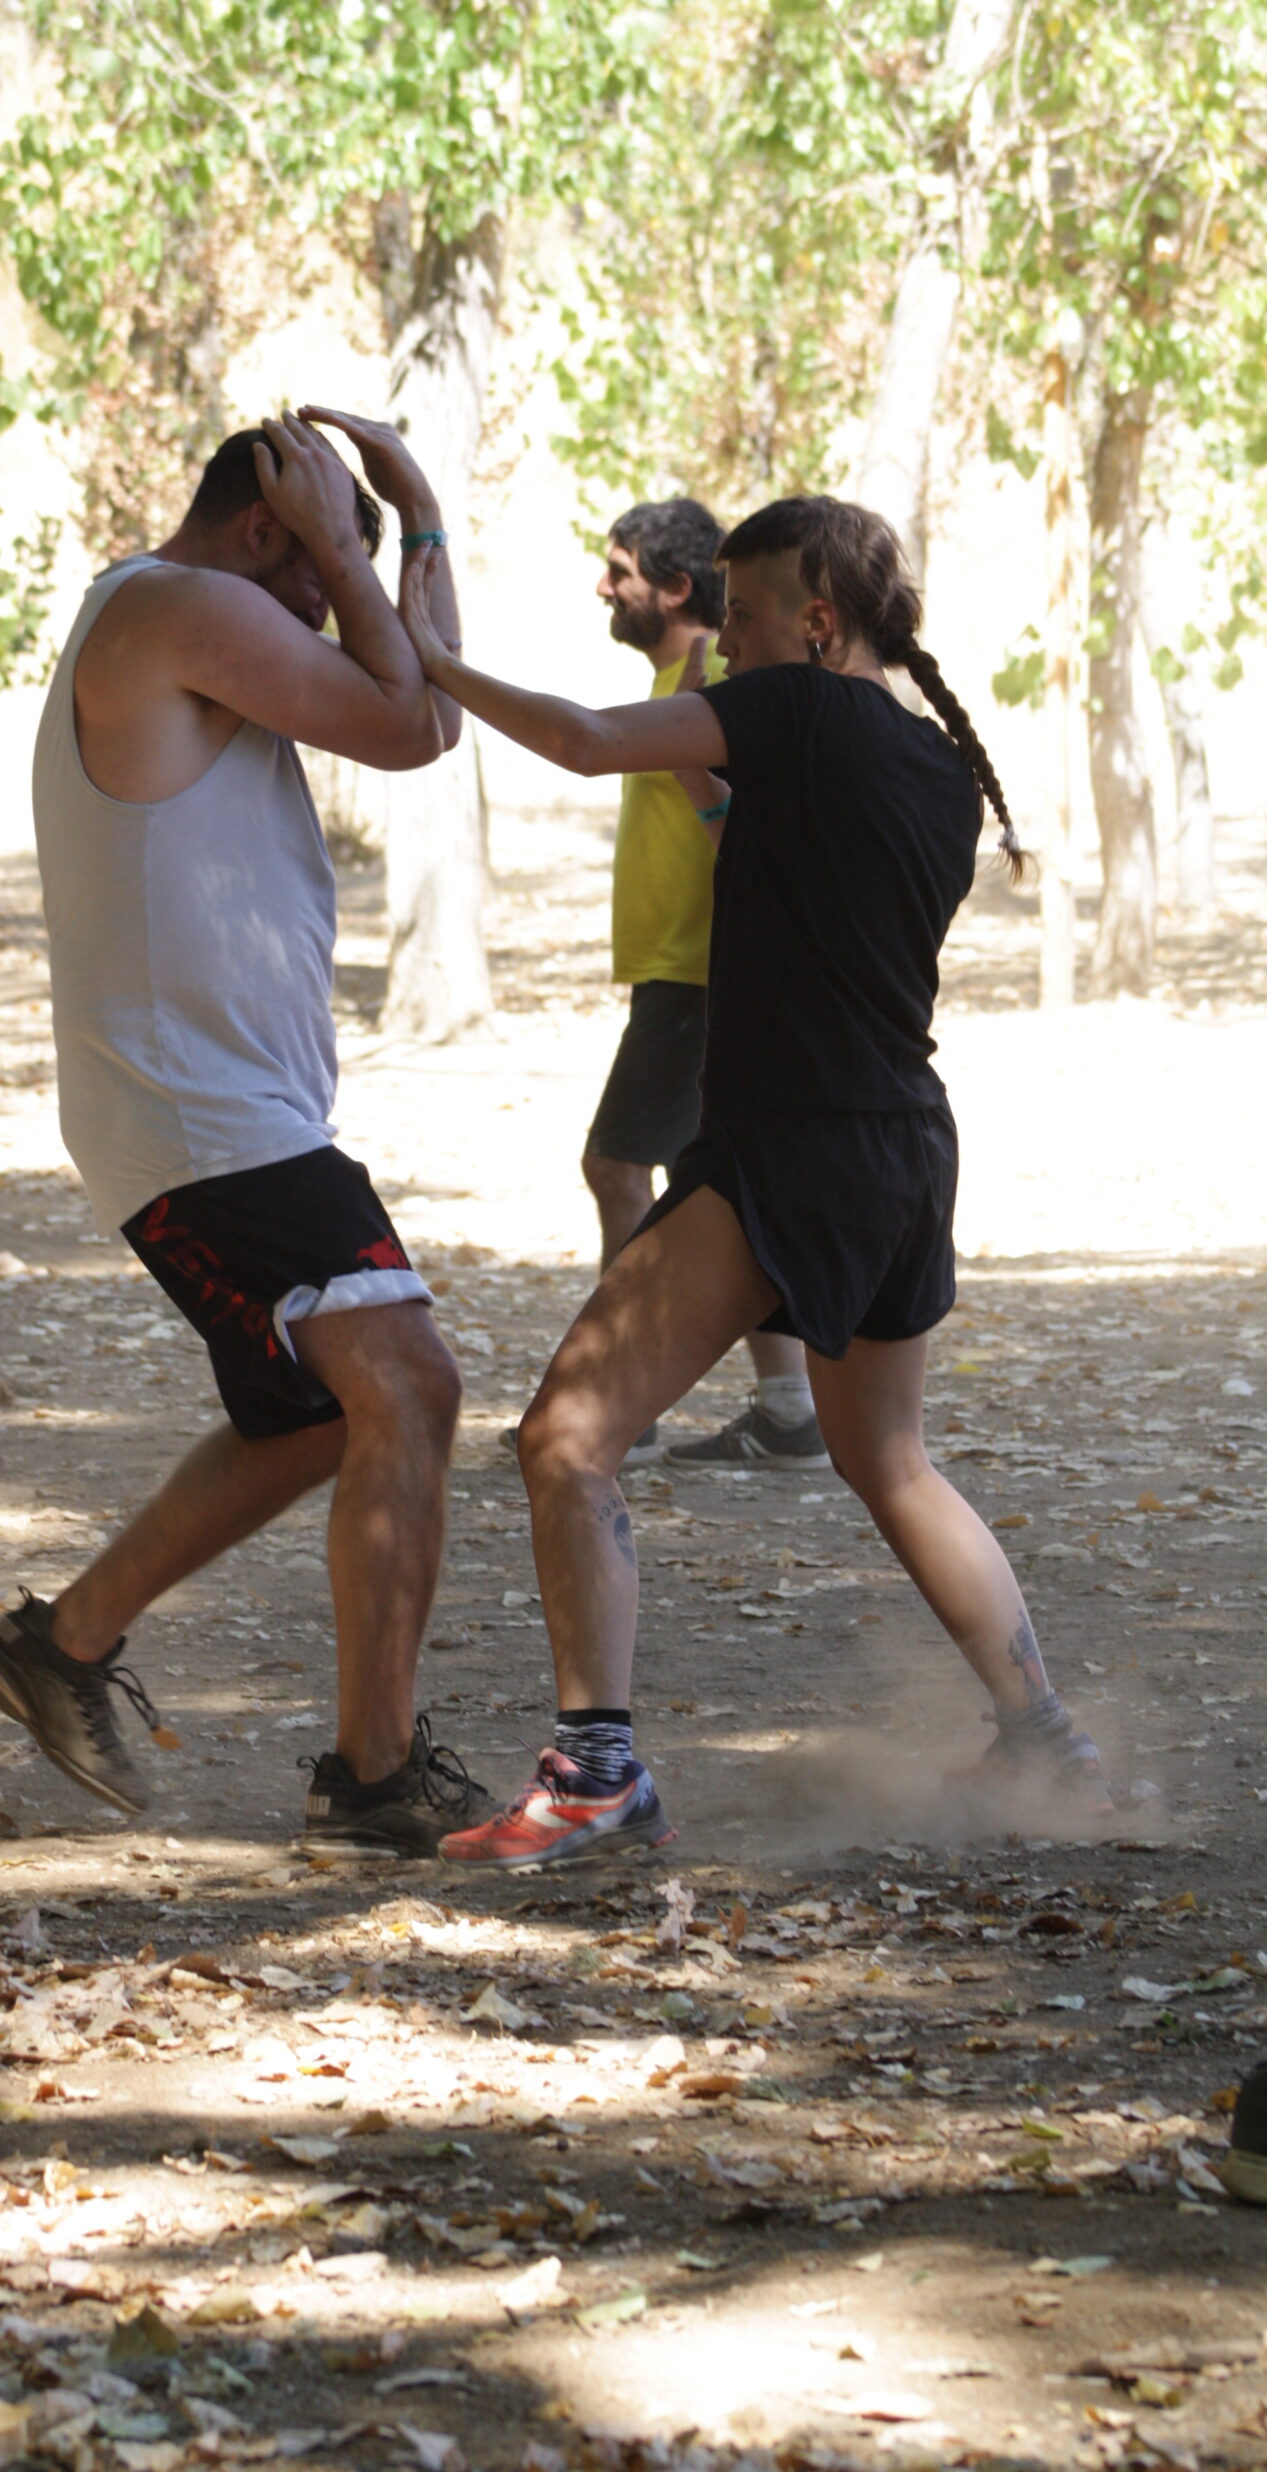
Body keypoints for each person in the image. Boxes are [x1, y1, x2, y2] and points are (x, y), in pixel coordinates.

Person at [396, 493, 1105, 1866]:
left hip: (793, 1146)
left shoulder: (796, 707)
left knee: (565, 1438)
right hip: (903, 1146)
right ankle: (1045, 1739)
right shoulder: (935, 767)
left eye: (743, 616)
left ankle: (595, 1776)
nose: (719, 648)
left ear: (817, 623)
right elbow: (774, 872)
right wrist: (707, 783)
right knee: (886, 1459)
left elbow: (582, 739)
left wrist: (431, 661)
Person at [0, 409, 493, 1858]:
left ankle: (62, 1643)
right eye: (316, 574)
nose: (328, 614)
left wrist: (417, 520)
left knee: (316, 1415)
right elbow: (405, 723)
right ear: (264, 527)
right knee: (411, 1384)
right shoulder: (176, 607)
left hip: (219, 1109)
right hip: (201, 1113)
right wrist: (352, 542)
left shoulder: (205, 616)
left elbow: (429, 706)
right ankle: (373, 1776)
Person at [579, 498, 824, 1471]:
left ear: (676, 586)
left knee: (615, 1167)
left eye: (620, 570)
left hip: (700, 974)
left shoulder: (715, 684)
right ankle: (788, 1411)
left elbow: (755, 821)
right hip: (684, 974)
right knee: (724, 1187)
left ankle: (621, 1407)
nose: (604, 586)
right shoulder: (682, 682)